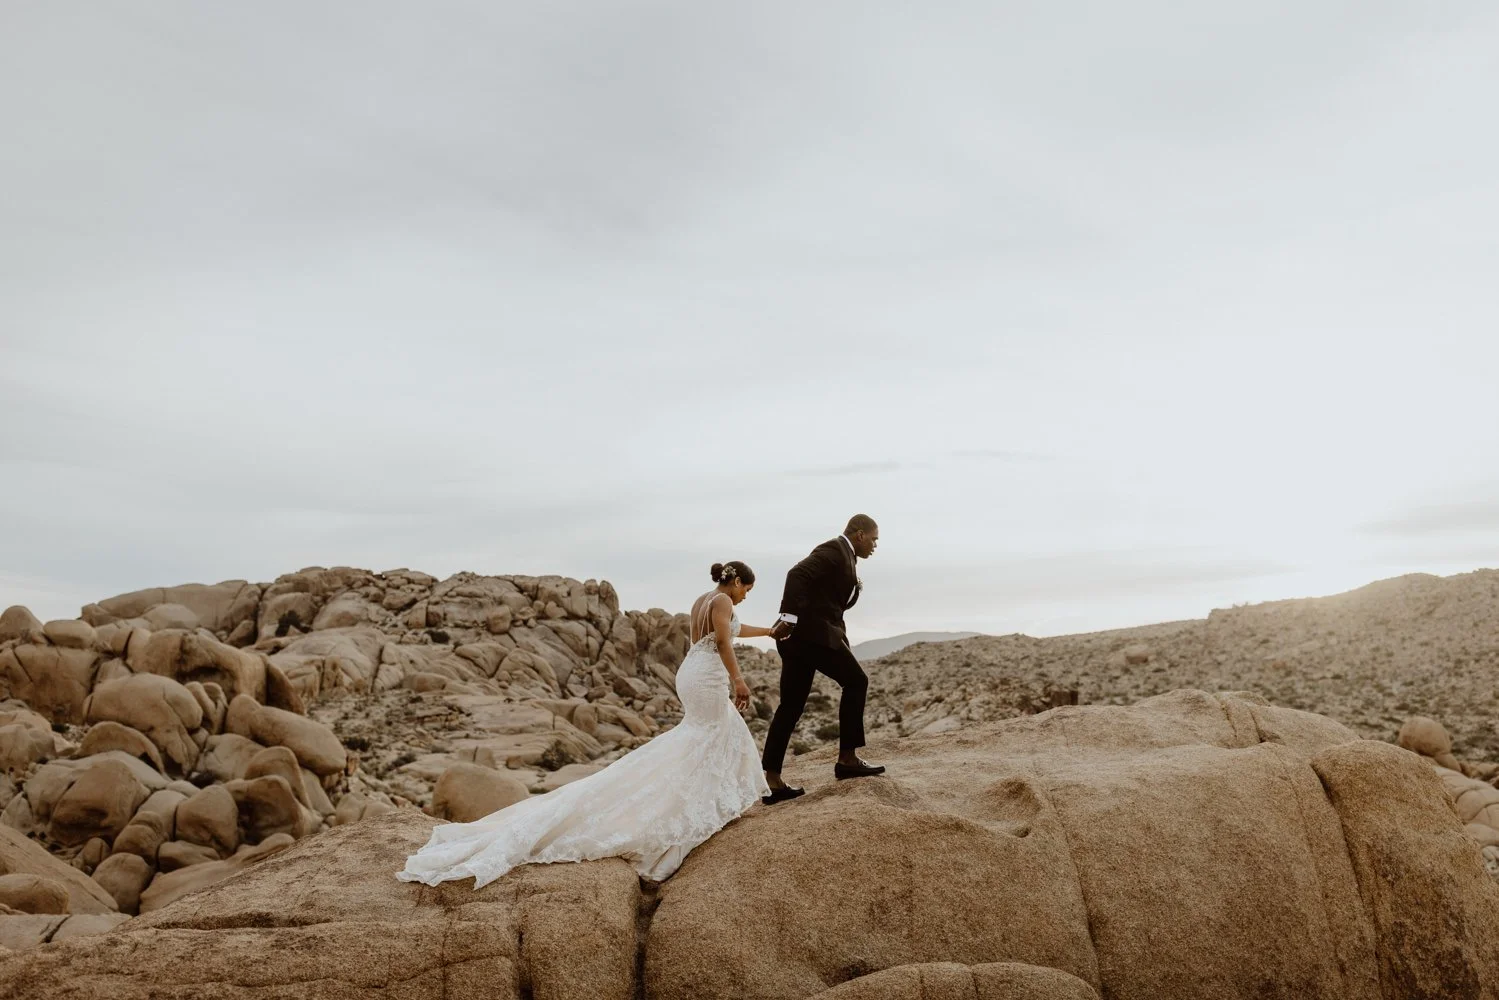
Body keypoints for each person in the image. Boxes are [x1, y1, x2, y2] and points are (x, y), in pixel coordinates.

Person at [396, 560, 781, 886]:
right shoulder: (722, 601)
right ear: (735, 581)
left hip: (692, 673)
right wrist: (739, 679)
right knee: (716, 734)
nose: (745, 596)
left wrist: (767, 632)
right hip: (707, 676)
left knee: (704, 736)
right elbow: (725, 642)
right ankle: (700, 807)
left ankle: (701, 803)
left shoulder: (705, 600)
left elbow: (730, 631)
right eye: (747, 589)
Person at [760, 515, 884, 804]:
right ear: (859, 534)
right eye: (874, 539)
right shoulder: (835, 549)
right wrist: (788, 618)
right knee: (856, 681)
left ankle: (773, 780)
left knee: (791, 706)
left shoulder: (846, 556)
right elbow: (796, 574)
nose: (875, 546)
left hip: (804, 639)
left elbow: (829, 606)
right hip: (811, 636)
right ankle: (847, 759)